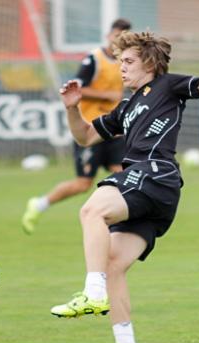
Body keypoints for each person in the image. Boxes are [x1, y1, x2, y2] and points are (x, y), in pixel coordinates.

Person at [50, 14, 199, 343]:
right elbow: (85, 136)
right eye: (119, 62)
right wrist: (73, 109)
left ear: (149, 63)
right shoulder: (127, 106)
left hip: (153, 173)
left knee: (91, 210)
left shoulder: (169, 86)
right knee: (113, 264)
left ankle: (92, 293)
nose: (121, 68)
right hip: (159, 195)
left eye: (128, 62)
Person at [21, 19, 132, 234]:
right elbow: (75, 88)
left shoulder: (125, 62)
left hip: (113, 129)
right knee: (83, 183)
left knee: (124, 174)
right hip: (91, 130)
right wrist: (105, 95)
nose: (118, 40)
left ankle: (118, 223)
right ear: (108, 36)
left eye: (123, 37)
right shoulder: (94, 59)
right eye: (116, 36)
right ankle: (39, 204)